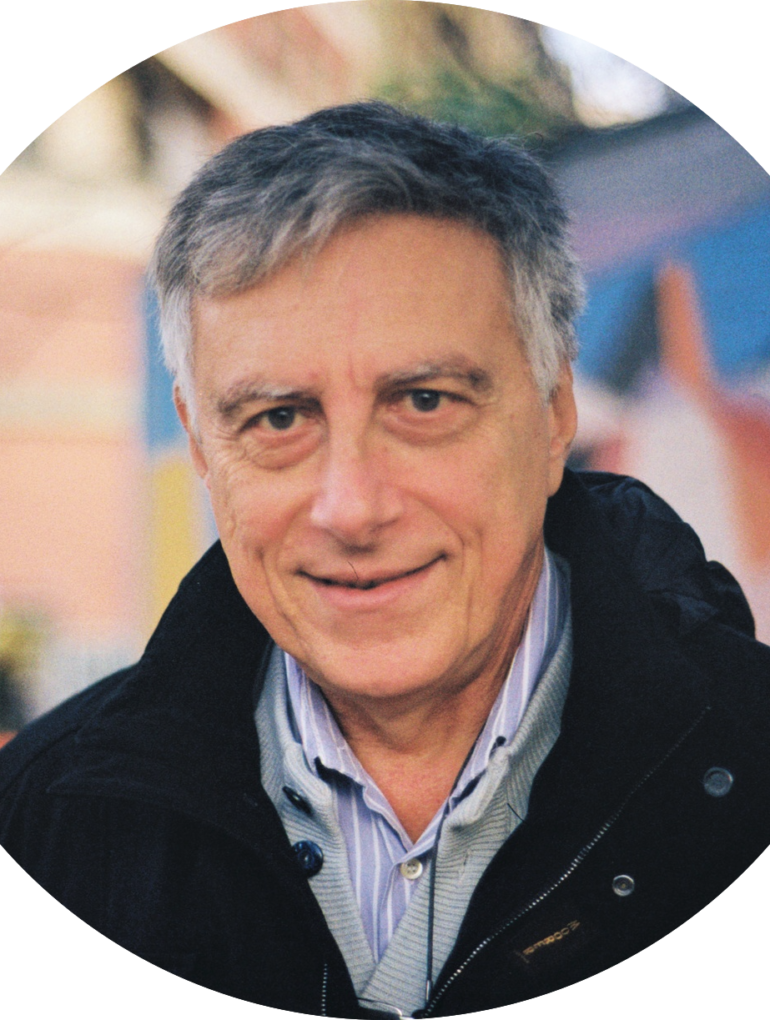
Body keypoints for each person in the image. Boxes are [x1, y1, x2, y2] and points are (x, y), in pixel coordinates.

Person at [1, 101, 769, 1017]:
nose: (352, 507)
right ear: (202, 446)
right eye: (279, 418)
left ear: (554, 412)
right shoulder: (42, 820)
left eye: (424, 402)